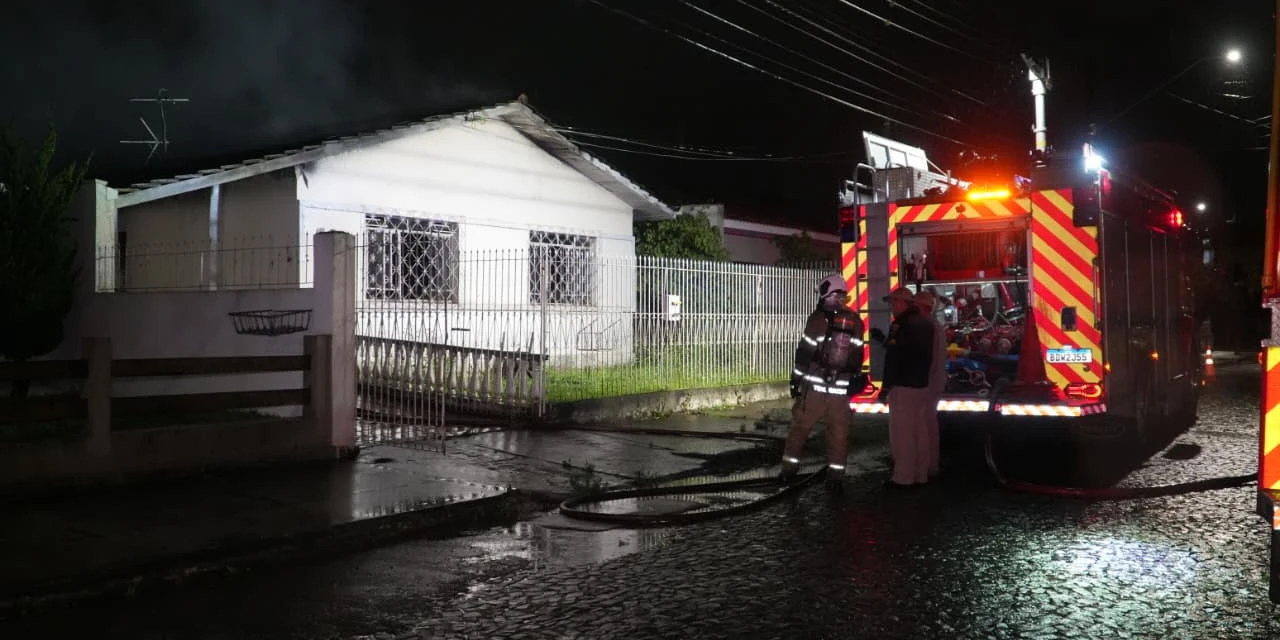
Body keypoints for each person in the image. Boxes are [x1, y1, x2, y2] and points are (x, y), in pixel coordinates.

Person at [780, 273, 867, 490]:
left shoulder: (818, 319)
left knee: (800, 429)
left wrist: (795, 381)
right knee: (838, 435)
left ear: (826, 292)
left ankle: (788, 471)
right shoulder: (855, 321)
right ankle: (836, 478)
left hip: (815, 390)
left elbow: (805, 352)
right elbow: (857, 355)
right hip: (841, 391)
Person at [870, 286, 936, 488]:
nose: (891, 308)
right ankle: (921, 475)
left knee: (903, 434)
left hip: (903, 386)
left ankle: (903, 478)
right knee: (920, 432)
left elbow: (894, 357)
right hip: (921, 385)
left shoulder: (900, 324)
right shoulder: (926, 324)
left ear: (901, 303)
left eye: (893, 303)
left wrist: (885, 388)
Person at [914, 289, 948, 479]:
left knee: (924, 426)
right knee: (930, 424)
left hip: (926, 383)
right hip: (933, 382)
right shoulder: (934, 325)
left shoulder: (926, 326)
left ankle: (925, 467)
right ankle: (931, 465)